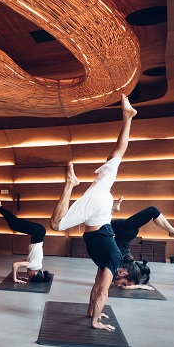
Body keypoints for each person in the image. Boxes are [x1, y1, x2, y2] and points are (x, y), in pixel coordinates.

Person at [50, 95, 150, 330]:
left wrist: (91, 312)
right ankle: (70, 183)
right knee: (56, 224)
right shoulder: (115, 259)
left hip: (103, 207)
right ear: (124, 271)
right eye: (124, 282)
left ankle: (127, 117)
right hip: (97, 210)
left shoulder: (110, 261)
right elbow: (103, 291)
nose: (121, 285)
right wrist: (96, 322)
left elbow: (96, 287)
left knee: (115, 158)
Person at [0, 201, 51, 284]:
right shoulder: (34, 265)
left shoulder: (35, 264)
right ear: (34, 273)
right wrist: (15, 279)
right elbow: (15, 266)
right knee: (14, 224)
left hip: (39, 231)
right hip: (38, 231)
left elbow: (16, 262)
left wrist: (17, 275)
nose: (27, 275)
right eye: (29, 276)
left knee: (14, 224)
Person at [111, 197, 174, 262]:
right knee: (152, 210)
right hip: (122, 231)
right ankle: (173, 232)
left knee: (125, 260)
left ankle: (173, 232)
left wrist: (113, 210)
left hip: (121, 231)